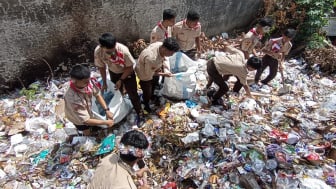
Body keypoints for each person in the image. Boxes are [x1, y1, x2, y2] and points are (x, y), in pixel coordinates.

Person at [94, 33, 144, 126]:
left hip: (127, 72)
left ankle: (140, 113)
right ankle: (121, 111)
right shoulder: (98, 52)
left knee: (133, 94)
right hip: (113, 72)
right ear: (102, 47)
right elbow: (101, 67)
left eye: (113, 51)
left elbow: (130, 67)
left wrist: (121, 80)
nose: (112, 53)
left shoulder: (123, 50)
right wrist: (104, 82)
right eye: (109, 52)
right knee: (117, 92)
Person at [64, 64, 114, 136]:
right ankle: (88, 136)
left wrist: (107, 110)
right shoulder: (72, 97)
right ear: (75, 81)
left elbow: (97, 95)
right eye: (85, 82)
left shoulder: (88, 82)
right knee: (85, 128)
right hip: (77, 118)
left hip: (87, 110)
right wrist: (106, 122)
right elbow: (86, 121)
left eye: (88, 80)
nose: (88, 83)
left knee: (91, 122)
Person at [135, 38, 180, 113]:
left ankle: (152, 95)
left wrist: (163, 66)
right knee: (147, 91)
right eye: (171, 53)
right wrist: (164, 74)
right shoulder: (152, 58)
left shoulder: (159, 44)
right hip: (145, 75)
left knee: (154, 83)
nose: (172, 55)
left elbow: (161, 59)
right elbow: (149, 73)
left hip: (154, 68)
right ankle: (146, 104)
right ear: (165, 49)